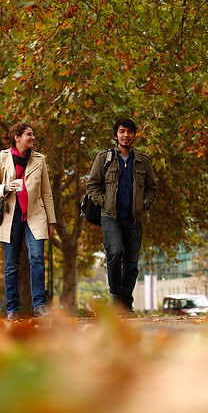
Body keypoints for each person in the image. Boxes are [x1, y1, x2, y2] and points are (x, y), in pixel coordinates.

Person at [86, 118, 157, 315]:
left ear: (135, 135)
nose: (126, 135)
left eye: (130, 132)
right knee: (115, 253)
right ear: (116, 134)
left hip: (134, 219)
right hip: (110, 217)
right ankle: (116, 297)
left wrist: (145, 204)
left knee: (132, 263)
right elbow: (91, 185)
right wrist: (104, 202)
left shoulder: (143, 161)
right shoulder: (104, 158)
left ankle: (126, 302)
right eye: (122, 131)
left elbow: (152, 188)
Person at [0, 122, 56, 320]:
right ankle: (12, 309)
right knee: (11, 265)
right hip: (10, 217)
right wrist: (6, 187)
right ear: (17, 137)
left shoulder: (39, 159)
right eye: (29, 135)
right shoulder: (2, 157)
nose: (33, 138)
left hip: (35, 216)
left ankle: (40, 306)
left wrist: (51, 222)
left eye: (32, 135)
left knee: (37, 260)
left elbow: (46, 193)